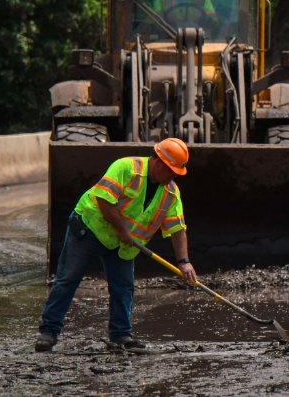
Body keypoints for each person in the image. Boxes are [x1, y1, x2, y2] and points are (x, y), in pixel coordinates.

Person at [35, 137, 197, 352]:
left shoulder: (170, 193)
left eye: (177, 172)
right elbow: (103, 199)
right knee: (68, 279)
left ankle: (121, 336)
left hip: (123, 245)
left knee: (123, 288)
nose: (174, 175)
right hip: (90, 228)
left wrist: (184, 262)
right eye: (171, 170)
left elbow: (177, 228)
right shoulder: (126, 167)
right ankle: (48, 332)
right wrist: (123, 230)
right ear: (158, 161)